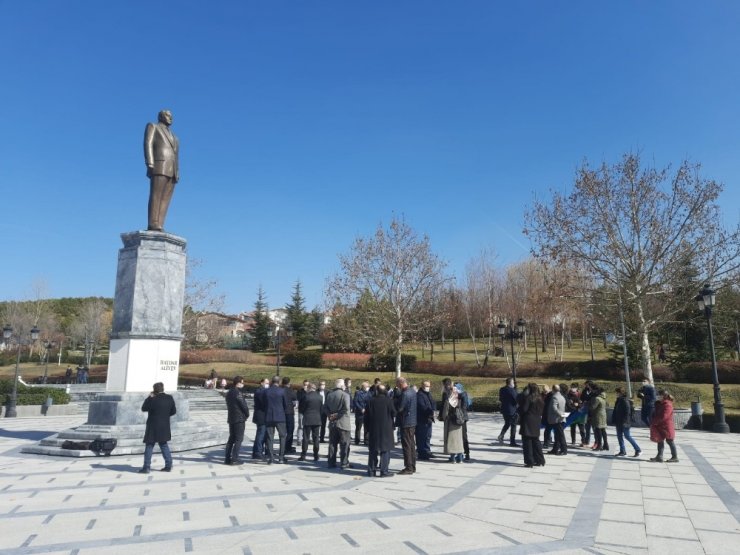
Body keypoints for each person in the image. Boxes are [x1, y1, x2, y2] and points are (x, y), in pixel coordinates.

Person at [143, 109, 179, 231]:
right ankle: (153, 222)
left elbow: (176, 155)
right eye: (168, 115)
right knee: (156, 195)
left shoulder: (175, 137)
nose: (171, 118)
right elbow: (148, 143)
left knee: (166, 199)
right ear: (161, 116)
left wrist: (177, 171)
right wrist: (150, 162)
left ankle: (160, 223)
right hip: (159, 165)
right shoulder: (153, 126)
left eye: (171, 116)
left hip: (172, 170)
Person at [139, 382, 176, 473]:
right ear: (163, 388)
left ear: (154, 390)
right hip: (164, 425)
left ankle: (146, 467)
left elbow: (143, 408)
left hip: (153, 425)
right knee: (164, 445)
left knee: (149, 445)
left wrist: (149, 397)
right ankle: (168, 465)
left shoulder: (153, 399)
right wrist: (165, 416)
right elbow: (173, 411)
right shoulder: (169, 398)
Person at [365, 383, 396, 477]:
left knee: (373, 450)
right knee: (385, 450)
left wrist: (367, 428)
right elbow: (394, 413)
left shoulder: (371, 401)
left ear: (377, 391)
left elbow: (366, 416)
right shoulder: (388, 401)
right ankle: (384, 471)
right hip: (386, 428)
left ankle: (371, 470)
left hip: (374, 428)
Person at [324, 378, 351, 469]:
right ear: (341, 385)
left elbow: (325, 407)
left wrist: (330, 415)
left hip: (332, 423)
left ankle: (331, 462)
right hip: (343, 423)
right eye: (344, 384)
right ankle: (344, 463)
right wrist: (336, 415)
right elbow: (346, 408)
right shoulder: (345, 395)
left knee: (332, 443)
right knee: (344, 444)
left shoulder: (329, 395)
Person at [394, 377, 418, 475]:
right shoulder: (412, 391)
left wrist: (395, 402)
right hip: (412, 421)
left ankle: (408, 467)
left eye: (397, 384)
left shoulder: (405, 394)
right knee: (411, 444)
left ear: (400, 384)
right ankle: (412, 466)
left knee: (407, 445)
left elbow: (400, 408)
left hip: (406, 422)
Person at [519, 383, 546, 468]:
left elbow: (524, 409)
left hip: (528, 421)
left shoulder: (529, 398)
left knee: (527, 442)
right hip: (537, 420)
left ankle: (529, 461)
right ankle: (540, 460)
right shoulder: (540, 398)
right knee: (536, 441)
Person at [225, 376, 250, 465]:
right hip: (239, 418)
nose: (243, 384)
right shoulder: (238, 393)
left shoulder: (229, 392)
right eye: (242, 382)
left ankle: (227, 458)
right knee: (239, 439)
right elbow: (244, 406)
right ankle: (234, 458)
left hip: (231, 418)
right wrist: (247, 414)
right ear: (238, 383)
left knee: (231, 438)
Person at [264, 376, 289, 464]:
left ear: (272, 381)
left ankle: (271, 458)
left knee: (270, 438)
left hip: (269, 416)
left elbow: (264, 404)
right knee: (282, 437)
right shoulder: (282, 391)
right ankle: (281, 457)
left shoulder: (267, 391)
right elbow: (286, 404)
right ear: (279, 382)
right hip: (280, 416)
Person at [439, 379, 465, 463]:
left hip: (450, 418)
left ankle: (453, 457)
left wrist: (443, 417)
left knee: (451, 439)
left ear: (445, 385)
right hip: (459, 418)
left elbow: (445, 407)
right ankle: (460, 457)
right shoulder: (458, 392)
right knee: (459, 439)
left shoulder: (446, 394)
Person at [650, 390, 678, 463]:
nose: (657, 396)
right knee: (660, 440)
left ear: (664, 396)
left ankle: (675, 457)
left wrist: (655, 422)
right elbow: (656, 413)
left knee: (670, 441)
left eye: (659, 395)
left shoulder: (668, 404)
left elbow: (664, 416)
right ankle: (659, 456)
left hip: (666, 426)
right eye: (657, 395)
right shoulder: (659, 403)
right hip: (660, 426)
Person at [612, 387, 640, 457]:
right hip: (618, 421)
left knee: (627, 436)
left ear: (621, 393)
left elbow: (628, 412)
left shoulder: (625, 400)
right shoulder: (619, 400)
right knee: (619, 436)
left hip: (624, 422)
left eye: (617, 393)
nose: (616, 394)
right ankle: (622, 451)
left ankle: (638, 449)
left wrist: (625, 422)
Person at [298, 382, 322, 462]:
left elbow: (301, 408)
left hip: (308, 418)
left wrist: (304, 412)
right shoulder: (320, 397)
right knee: (316, 438)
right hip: (317, 419)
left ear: (309, 388)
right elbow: (321, 408)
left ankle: (303, 455)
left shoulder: (306, 396)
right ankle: (316, 455)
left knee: (306, 438)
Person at [496, 377, 519, 447]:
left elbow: (500, 399)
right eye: (513, 382)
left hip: (504, 410)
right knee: (513, 426)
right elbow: (516, 400)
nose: (514, 384)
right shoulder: (512, 390)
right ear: (510, 383)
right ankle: (512, 441)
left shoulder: (502, 389)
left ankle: (501, 435)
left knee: (507, 423)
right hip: (512, 411)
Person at [416, 380, 435, 460]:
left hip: (429, 419)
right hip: (422, 419)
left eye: (428, 386)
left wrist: (433, 410)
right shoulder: (419, 395)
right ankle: (422, 453)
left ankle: (427, 451)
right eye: (426, 386)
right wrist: (430, 412)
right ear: (422, 386)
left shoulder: (429, 394)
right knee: (422, 437)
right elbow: (422, 406)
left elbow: (433, 403)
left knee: (428, 436)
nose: (427, 388)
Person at [251, 378, 270, 460]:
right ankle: (258, 452)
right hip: (261, 416)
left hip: (263, 416)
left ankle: (259, 451)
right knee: (260, 435)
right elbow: (264, 403)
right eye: (266, 383)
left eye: (268, 383)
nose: (268, 385)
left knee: (262, 434)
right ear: (262, 383)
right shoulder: (260, 391)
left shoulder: (263, 391)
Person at [547, 384, 567, 455]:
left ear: (553, 390)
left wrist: (560, 414)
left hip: (557, 419)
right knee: (558, 435)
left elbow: (554, 408)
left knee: (560, 435)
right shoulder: (562, 397)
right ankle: (555, 449)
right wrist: (563, 415)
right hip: (561, 418)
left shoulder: (554, 397)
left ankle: (564, 450)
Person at [455, 381, 472, 461]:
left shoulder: (462, 395)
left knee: (463, 436)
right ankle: (463, 453)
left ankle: (465, 453)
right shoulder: (462, 394)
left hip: (461, 418)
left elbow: (463, 407)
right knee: (463, 436)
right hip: (462, 417)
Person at [589, 386, 609, 451]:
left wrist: (588, 405)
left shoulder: (597, 398)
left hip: (598, 416)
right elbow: (607, 405)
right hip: (603, 415)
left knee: (598, 431)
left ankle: (599, 445)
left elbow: (593, 407)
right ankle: (606, 445)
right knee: (603, 430)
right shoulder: (604, 397)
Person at [281, 377, 297, 453]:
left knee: (282, 432)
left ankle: (282, 447)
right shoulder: (291, 391)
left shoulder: (280, 390)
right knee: (290, 431)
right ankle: (288, 447)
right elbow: (294, 403)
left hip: (281, 413)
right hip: (289, 413)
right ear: (289, 383)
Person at [352, 381, 370, 446]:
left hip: (366, 413)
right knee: (358, 427)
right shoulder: (358, 393)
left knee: (367, 428)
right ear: (363, 387)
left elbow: (370, 402)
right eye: (367, 386)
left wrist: (367, 409)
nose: (368, 387)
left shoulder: (369, 393)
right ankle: (357, 440)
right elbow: (355, 402)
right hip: (359, 413)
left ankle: (366, 440)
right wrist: (361, 409)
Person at [296, 379, 310, 446]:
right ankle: (299, 440)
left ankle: (307, 438)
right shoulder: (300, 391)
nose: (306, 386)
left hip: (309, 411)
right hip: (301, 411)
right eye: (305, 385)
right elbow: (299, 399)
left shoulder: (311, 392)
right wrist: (304, 392)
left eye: (307, 385)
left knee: (308, 426)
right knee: (301, 426)